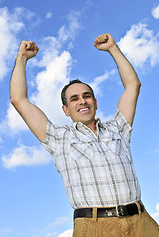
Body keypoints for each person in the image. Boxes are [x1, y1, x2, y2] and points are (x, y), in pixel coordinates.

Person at [10, 33, 159, 237]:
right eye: (74, 99)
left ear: (95, 103)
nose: (82, 101)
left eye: (86, 96)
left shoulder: (118, 129)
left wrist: (112, 49)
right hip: (95, 227)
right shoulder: (59, 139)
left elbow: (133, 86)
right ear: (65, 110)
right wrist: (22, 58)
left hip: (141, 222)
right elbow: (19, 99)